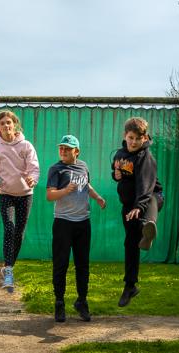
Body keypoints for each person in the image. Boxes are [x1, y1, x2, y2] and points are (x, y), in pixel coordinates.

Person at [46, 135, 106, 322]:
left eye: (67, 148)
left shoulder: (83, 166)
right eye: (61, 148)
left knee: (82, 264)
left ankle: (82, 301)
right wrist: (65, 191)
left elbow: (86, 185)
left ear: (76, 151)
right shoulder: (56, 169)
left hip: (83, 223)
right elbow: (50, 195)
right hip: (63, 222)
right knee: (61, 264)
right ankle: (59, 303)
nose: (63, 151)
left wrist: (97, 198)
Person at [111, 117, 164, 308]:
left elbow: (145, 185)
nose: (133, 142)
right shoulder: (120, 154)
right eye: (131, 138)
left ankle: (147, 229)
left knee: (148, 204)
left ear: (144, 138)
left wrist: (138, 207)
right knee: (130, 244)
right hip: (130, 205)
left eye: (137, 139)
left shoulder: (146, 157)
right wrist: (115, 174)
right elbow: (118, 170)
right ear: (125, 136)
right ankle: (130, 286)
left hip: (149, 199)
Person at [0, 110, 40, 293]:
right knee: (9, 228)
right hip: (6, 194)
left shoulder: (26, 146)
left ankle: (9, 265)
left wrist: (33, 178)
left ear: (14, 124)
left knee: (19, 233)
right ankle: (8, 270)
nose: (6, 126)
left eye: (9, 122)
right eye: (2, 123)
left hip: (26, 194)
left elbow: (34, 168)